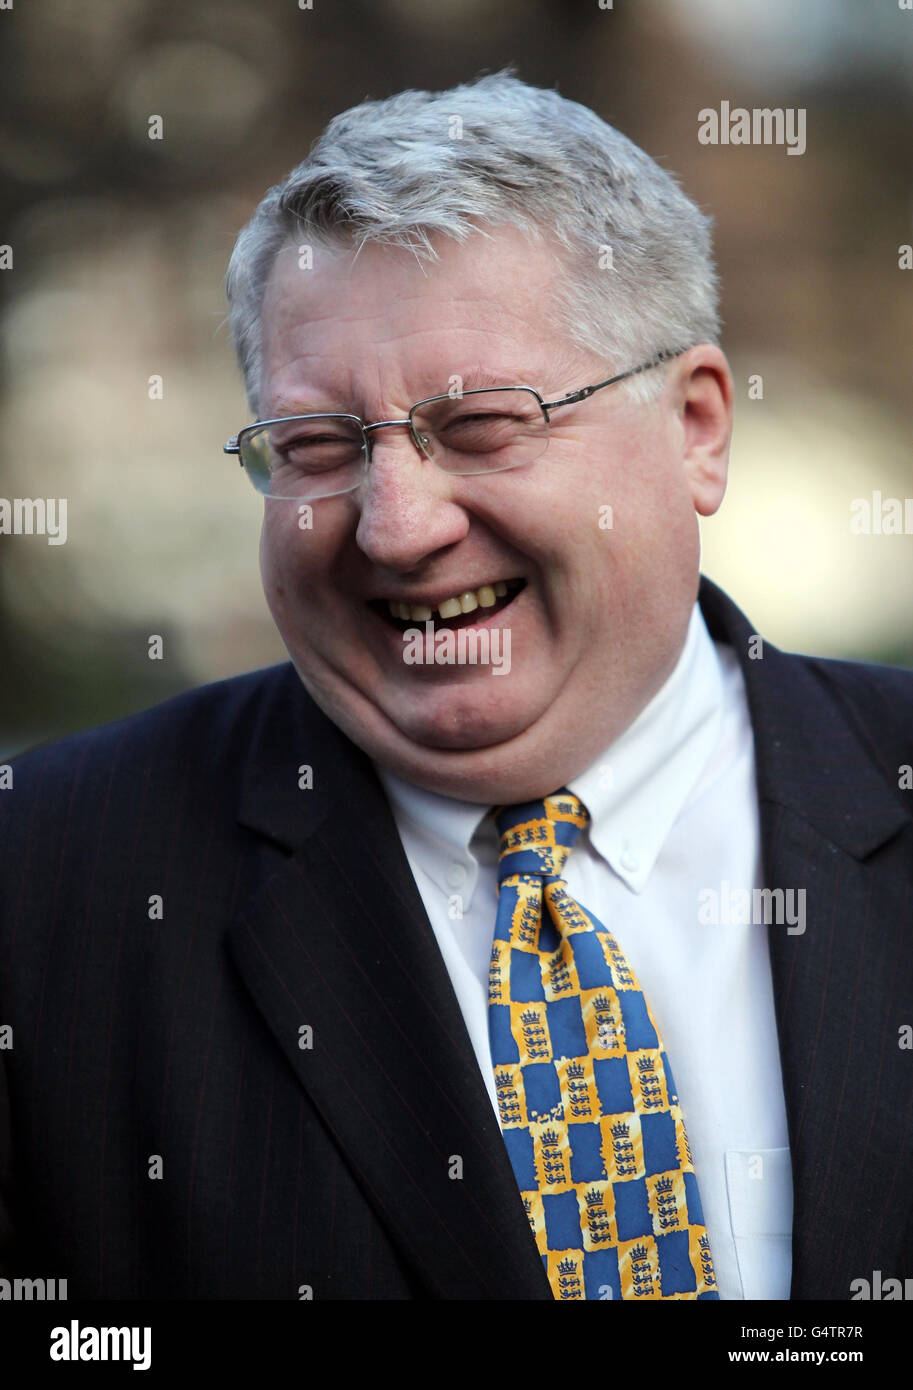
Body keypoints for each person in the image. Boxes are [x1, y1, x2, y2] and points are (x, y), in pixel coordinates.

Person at [0, 71, 910, 1303]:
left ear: (696, 427)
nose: (395, 526)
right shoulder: (45, 882)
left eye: (481, 426)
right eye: (317, 447)